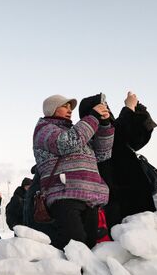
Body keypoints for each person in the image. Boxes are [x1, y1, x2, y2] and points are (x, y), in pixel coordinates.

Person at [33, 94, 114, 250]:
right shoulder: (44, 130)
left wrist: (104, 124)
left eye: (71, 107)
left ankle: (86, 274)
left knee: (90, 244)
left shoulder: (78, 130)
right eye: (64, 106)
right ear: (51, 109)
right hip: (64, 194)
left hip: (89, 195)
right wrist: (93, 117)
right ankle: (72, 274)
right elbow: (67, 143)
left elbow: (103, 153)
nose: (69, 110)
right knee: (75, 244)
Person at [85, 92, 157, 231]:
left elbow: (137, 137)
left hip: (134, 187)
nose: (105, 108)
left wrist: (138, 110)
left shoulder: (115, 126)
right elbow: (115, 135)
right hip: (116, 192)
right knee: (124, 238)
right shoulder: (91, 132)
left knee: (147, 238)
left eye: (106, 105)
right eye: (101, 106)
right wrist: (129, 108)